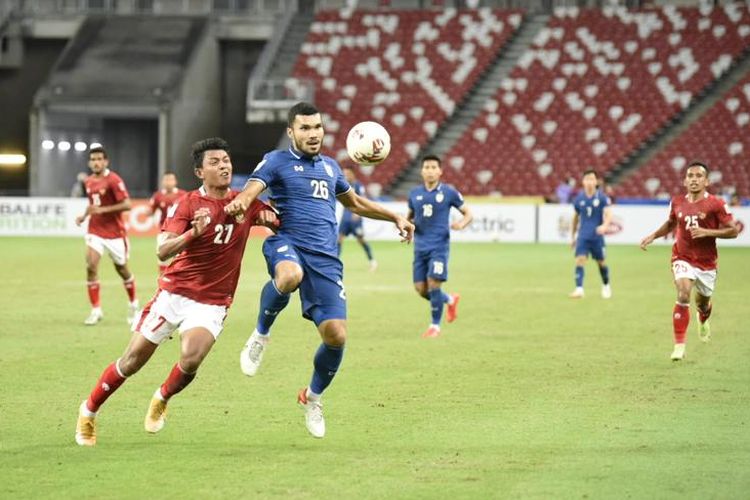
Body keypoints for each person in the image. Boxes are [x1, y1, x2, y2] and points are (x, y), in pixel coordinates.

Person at [226, 102, 414, 439]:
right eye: (305, 128)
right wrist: (243, 201)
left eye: (317, 127)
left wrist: (396, 216)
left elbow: (354, 203)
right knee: (288, 276)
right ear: (291, 132)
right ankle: (260, 334)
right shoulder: (276, 160)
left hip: (326, 259)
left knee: (336, 336)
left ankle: (312, 398)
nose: (313, 134)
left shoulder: (330, 168)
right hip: (288, 243)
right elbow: (253, 188)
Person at [74, 137, 277, 446]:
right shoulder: (188, 204)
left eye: (226, 160)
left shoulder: (245, 202)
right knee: (131, 361)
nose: (224, 166)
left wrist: (271, 218)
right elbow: (162, 250)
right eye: (215, 162)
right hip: (175, 293)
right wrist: (192, 234)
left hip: (213, 301)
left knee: (191, 358)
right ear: (199, 172)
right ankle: (88, 410)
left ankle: (162, 396)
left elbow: (278, 222)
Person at [640, 161, 739, 361]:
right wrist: (652, 236)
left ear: (707, 181)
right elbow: (671, 223)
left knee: (702, 304)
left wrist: (707, 232)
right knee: (683, 293)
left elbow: (734, 231)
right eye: (690, 176)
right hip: (682, 256)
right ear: (685, 181)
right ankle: (679, 345)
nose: (694, 179)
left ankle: (703, 318)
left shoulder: (716, 204)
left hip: (707, 263)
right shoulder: (677, 201)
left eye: (698, 176)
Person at [407, 155, 473, 339]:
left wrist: (461, 224)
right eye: (426, 167)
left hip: (439, 247)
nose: (429, 170)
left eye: (433, 167)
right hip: (420, 248)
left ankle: (434, 326)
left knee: (434, 283)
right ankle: (450, 300)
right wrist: (406, 227)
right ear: (421, 171)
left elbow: (468, 213)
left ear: (440, 171)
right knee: (421, 289)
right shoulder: (414, 194)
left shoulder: (449, 192)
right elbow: (410, 217)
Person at [75, 147, 139, 326]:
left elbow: (127, 204)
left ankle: (134, 304)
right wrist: (84, 216)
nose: (96, 162)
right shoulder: (88, 181)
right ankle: (96, 310)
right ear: (90, 162)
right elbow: (92, 205)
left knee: (122, 270)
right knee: (91, 266)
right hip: (95, 231)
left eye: (99, 159)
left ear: (105, 162)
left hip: (115, 233)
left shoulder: (113, 180)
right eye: (93, 159)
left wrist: (104, 210)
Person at [569, 169, 613, 299]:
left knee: (601, 262)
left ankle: (606, 285)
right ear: (583, 182)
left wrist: (605, 225)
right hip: (583, 236)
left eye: (592, 179)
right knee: (580, 260)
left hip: (597, 237)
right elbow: (575, 218)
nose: (589, 182)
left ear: (596, 182)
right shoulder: (578, 199)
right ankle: (579, 289)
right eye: (587, 179)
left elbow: (609, 213)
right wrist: (572, 237)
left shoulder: (602, 198)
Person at [337, 165, 377, 271]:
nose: (345, 176)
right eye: (344, 174)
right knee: (339, 239)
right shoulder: (344, 185)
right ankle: (335, 262)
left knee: (361, 240)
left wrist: (358, 214)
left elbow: (363, 199)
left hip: (355, 219)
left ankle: (372, 261)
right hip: (345, 218)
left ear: (353, 174)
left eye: (347, 174)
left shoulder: (358, 186)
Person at [148, 171, 186, 274]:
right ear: (162, 182)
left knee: (181, 260)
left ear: (175, 182)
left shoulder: (183, 195)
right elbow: (150, 211)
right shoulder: (158, 196)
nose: (168, 182)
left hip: (180, 232)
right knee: (162, 260)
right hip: (164, 232)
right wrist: (150, 210)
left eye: (171, 180)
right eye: (166, 180)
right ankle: (162, 285)